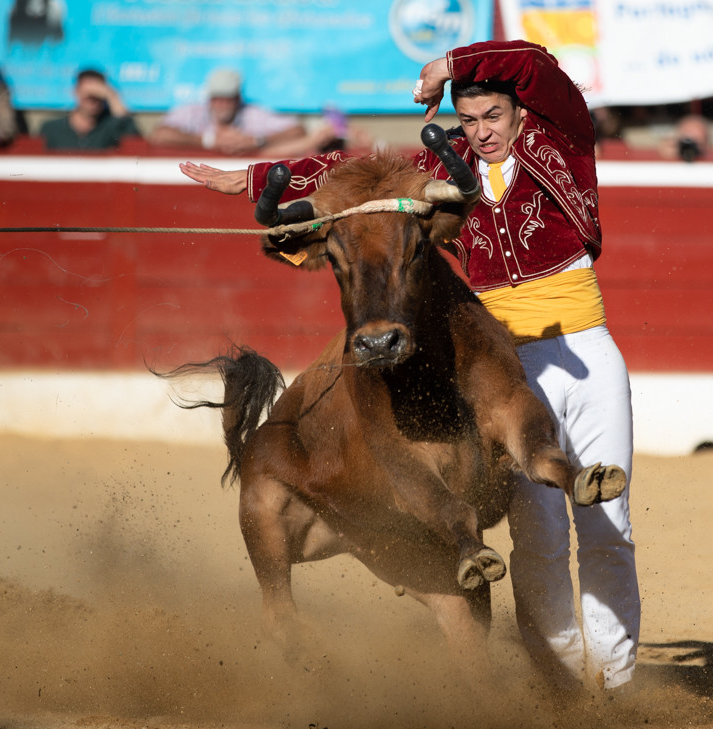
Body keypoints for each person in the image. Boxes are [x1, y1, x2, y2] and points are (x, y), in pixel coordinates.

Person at [180, 40, 640, 696]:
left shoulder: (562, 139)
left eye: (494, 117)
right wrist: (252, 179)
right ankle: (568, 681)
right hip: (502, 364)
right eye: (471, 120)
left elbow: (539, 68)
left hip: (586, 350)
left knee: (608, 525)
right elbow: (345, 169)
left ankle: (615, 682)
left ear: (519, 116)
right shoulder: (439, 170)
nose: (482, 132)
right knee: (537, 541)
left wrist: (454, 64)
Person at [150, 67, 341, 158]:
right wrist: (207, 141)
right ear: (209, 98)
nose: (222, 104)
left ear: (238, 98)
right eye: (217, 98)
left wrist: (256, 140)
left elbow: (296, 130)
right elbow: (158, 134)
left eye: (228, 98)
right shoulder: (193, 111)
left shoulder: (252, 113)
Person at [39, 68, 139, 150]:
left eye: (97, 94)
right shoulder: (51, 128)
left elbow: (133, 143)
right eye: (88, 94)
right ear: (76, 91)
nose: (92, 99)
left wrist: (111, 95)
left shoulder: (111, 127)